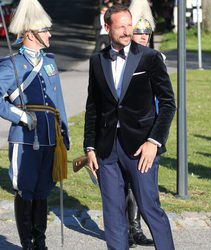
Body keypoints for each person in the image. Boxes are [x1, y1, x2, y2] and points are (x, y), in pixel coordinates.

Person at [84, 4, 175, 250]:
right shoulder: (97, 61)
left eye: (129, 25)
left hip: (141, 148)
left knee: (148, 207)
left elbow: (168, 104)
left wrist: (153, 142)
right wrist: (90, 147)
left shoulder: (150, 58)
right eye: (121, 26)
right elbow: (93, 107)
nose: (127, 31)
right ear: (107, 28)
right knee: (113, 212)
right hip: (106, 151)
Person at [0, 0, 69, 249]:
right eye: (45, 31)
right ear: (30, 34)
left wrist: (64, 133)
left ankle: (41, 241)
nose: (49, 34)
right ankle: (27, 243)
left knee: (42, 191)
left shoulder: (49, 63)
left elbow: (58, 100)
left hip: (50, 136)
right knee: (25, 190)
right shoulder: (11, 66)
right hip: (26, 137)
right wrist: (19, 115)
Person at [125, 0, 158, 248]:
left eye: (147, 32)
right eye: (139, 31)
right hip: (125, 128)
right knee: (126, 183)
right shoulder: (119, 60)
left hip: (150, 127)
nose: (143, 36)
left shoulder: (156, 58)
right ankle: (128, 229)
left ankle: (135, 229)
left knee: (144, 182)